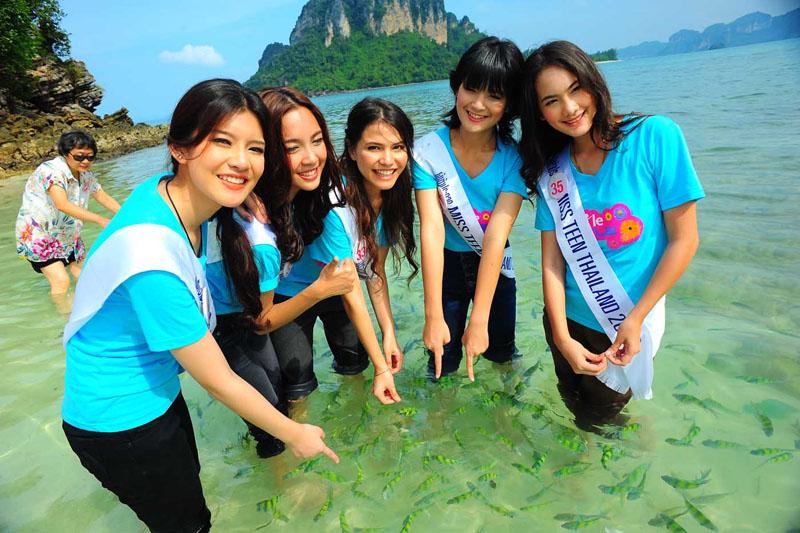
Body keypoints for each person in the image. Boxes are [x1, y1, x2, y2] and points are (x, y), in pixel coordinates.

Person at [61, 79, 337, 533]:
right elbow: (218, 380)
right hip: (118, 420)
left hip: (155, 394)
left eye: (255, 148)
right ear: (179, 148)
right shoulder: (150, 255)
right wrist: (295, 434)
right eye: (222, 142)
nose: (241, 161)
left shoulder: (170, 196)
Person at [518, 41, 704, 427]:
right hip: (565, 322)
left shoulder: (655, 136)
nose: (570, 108)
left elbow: (685, 240)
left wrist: (635, 319)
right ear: (540, 114)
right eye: (552, 101)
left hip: (626, 325)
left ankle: (632, 445)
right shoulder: (553, 170)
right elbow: (552, 262)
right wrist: (561, 337)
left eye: (575, 89)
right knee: (571, 401)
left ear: (593, 82)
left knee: (597, 419)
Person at [262, 88, 403, 405]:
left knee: (354, 361)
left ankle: (357, 418)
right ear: (351, 150)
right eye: (374, 147)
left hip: (334, 289)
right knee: (297, 382)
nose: (387, 160)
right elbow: (352, 288)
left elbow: (374, 270)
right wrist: (382, 368)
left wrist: (389, 334)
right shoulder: (334, 202)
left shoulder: (388, 197)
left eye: (397, 147)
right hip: (291, 292)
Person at [413, 36, 527, 382]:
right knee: (440, 364)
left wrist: (479, 319)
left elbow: (496, 237)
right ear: (456, 87)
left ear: (509, 104)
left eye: (494, 95)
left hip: (495, 270)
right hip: (446, 270)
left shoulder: (514, 159)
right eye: (471, 89)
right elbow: (432, 230)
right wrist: (432, 314)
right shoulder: (428, 152)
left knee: (502, 357)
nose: (478, 104)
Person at [15, 130, 120, 294]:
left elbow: (102, 196)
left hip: (68, 234)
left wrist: (126, 215)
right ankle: (63, 311)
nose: (85, 161)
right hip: (40, 235)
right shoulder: (52, 171)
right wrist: (100, 220)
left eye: (90, 157)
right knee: (61, 281)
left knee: (85, 275)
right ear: (65, 153)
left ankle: (89, 306)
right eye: (79, 157)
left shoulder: (85, 174)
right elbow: (62, 204)